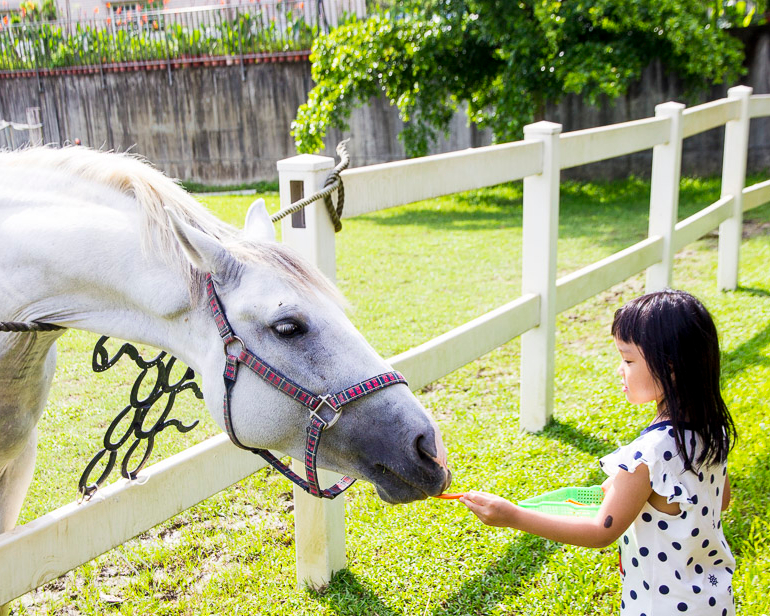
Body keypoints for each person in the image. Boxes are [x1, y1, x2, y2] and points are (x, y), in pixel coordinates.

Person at [460, 289, 737, 615]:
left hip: (660, 606)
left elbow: (600, 531)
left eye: (628, 359)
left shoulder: (647, 456)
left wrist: (514, 517)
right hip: (712, 599)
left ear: (671, 366)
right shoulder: (709, 432)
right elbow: (720, 499)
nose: (620, 369)